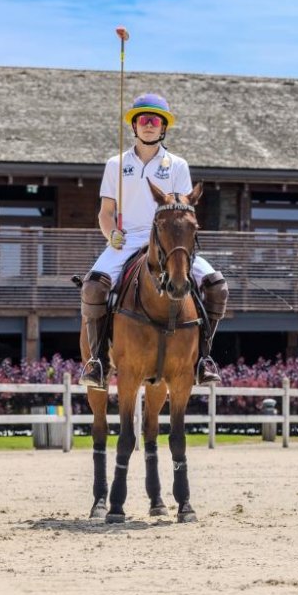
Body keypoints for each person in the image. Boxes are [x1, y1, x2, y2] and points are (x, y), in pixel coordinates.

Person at [79, 93, 227, 389]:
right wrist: (112, 234)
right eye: (142, 119)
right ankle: (97, 362)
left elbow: (184, 210)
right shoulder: (115, 164)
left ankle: (203, 359)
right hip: (128, 240)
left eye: (154, 120)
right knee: (94, 287)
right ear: (134, 126)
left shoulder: (177, 165)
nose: (148, 125)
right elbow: (105, 213)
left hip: (169, 244)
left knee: (217, 287)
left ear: (163, 128)